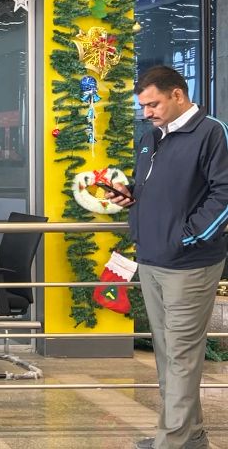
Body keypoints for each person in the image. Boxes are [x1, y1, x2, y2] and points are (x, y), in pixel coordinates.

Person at [108, 66, 228, 449]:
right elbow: (153, 191)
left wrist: (188, 237)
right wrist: (129, 195)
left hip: (189, 264)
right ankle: (189, 436)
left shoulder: (211, 133)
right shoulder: (152, 138)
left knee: (180, 353)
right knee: (168, 352)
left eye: (153, 104)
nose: (147, 112)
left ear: (178, 94)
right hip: (153, 258)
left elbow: (223, 195)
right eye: (143, 106)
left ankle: (171, 441)